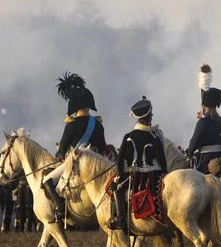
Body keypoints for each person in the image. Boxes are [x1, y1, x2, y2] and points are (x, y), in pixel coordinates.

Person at [42, 72, 106, 222]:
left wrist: (62, 154)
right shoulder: (97, 124)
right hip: (95, 163)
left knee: (47, 181)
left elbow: (62, 148)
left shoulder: (71, 124)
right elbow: (102, 146)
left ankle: (59, 211)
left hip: (75, 163)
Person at [108, 97, 168, 231]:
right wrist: (163, 173)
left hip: (134, 175)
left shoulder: (129, 136)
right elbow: (162, 161)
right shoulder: (155, 137)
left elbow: (121, 160)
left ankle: (121, 220)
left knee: (116, 189)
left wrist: (122, 177)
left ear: (137, 118)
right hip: (153, 175)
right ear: (149, 118)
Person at [185, 64, 221, 174]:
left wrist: (188, 152)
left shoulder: (203, 122)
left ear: (204, 105)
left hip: (205, 163)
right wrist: (202, 120)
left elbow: (194, 142)